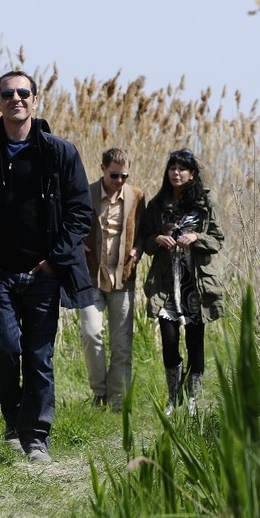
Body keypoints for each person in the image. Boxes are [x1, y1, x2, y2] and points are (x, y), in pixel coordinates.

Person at [0, 71, 93, 464]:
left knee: (39, 356)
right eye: (7, 93)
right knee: (3, 349)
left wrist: (55, 261)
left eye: (24, 93)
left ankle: (36, 438)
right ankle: (13, 420)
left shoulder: (59, 152)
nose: (16, 98)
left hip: (43, 275)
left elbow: (81, 213)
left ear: (35, 100)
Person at [140, 148, 224, 416]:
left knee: (195, 342)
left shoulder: (204, 203)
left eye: (182, 168)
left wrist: (197, 238)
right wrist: (156, 239)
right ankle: (173, 397)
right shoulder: (158, 203)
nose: (176, 173)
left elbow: (217, 239)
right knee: (169, 340)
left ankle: (192, 400)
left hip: (195, 282)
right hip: (166, 283)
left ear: (192, 174)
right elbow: (145, 240)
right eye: (172, 168)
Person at [80, 148, 146, 411]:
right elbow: (70, 223)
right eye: (114, 175)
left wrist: (138, 249)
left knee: (122, 345)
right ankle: (99, 393)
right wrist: (77, 244)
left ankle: (118, 401)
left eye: (124, 176)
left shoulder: (137, 196)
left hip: (123, 278)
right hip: (92, 276)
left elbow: (144, 231)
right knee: (91, 334)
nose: (120, 181)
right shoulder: (86, 193)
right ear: (102, 169)